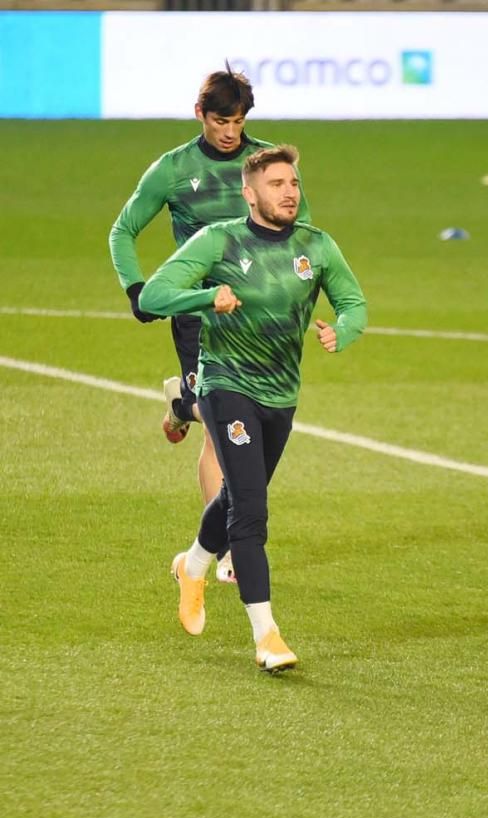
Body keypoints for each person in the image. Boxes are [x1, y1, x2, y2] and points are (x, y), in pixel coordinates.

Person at [139, 145, 366, 671]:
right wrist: (203, 298)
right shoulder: (218, 240)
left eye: (293, 183)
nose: (288, 192)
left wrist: (345, 330)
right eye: (276, 184)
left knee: (246, 492)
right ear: (250, 194)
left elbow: (354, 302)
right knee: (252, 509)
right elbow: (153, 296)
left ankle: (192, 565)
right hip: (226, 385)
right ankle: (267, 636)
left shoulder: (318, 246)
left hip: (280, 394)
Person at [108, 64, 311, 585]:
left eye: (239, 121)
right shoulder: (173, 170)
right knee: (224, 435)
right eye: (221, 120)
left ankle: (183, 404)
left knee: (238, 418)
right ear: (200, 114)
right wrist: (137, 289)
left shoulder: (265, 166)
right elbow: (123, 230)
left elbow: (301, 234)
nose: (231, 132)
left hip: (258, 317)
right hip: (199, 314)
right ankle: (223, 552)